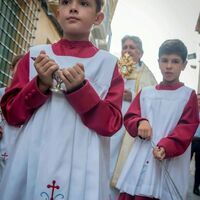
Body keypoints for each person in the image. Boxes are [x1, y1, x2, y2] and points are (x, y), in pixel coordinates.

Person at [0, 0, 124, 199]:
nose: (73, 8)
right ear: (58, 13)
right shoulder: (34, 56)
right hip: (34, 156)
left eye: (84, 3)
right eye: (66, 2)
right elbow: (12, 115)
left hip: (82, 164)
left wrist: (81, 90)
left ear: (98, 18)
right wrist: (40, 84)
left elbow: (111, 123)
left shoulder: (108, 64)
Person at [116, 39, 199, 200]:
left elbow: (187, 127)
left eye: (175, 61)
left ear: (184, 65)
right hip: (141, 157)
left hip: (169, 158)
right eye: (165, 60)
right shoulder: (146, 93)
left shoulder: (187, 95)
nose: (169, 66)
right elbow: (131, 116)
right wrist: (141, 122)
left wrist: (167, 146)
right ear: (158, 62)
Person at [110, 35, 157, 199]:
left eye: (132, 48)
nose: (127, 51)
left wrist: (134, 95)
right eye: (125, 47)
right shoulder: (113, 67)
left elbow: (152, 101)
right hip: (110, 121)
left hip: (129, 127)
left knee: (121, 161)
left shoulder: (147, 76)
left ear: (141, 53)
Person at [0, 54, 23, 181]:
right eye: (19, 68)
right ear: (11, 68)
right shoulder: (1, 94)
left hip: (18, 154)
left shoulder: (33, 98)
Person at [191, 93, 200, 196]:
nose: (199, 101)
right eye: (197, 99)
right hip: (190, 141)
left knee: (199, 167)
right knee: (184, 164)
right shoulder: (191, 111)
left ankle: (196, 187)